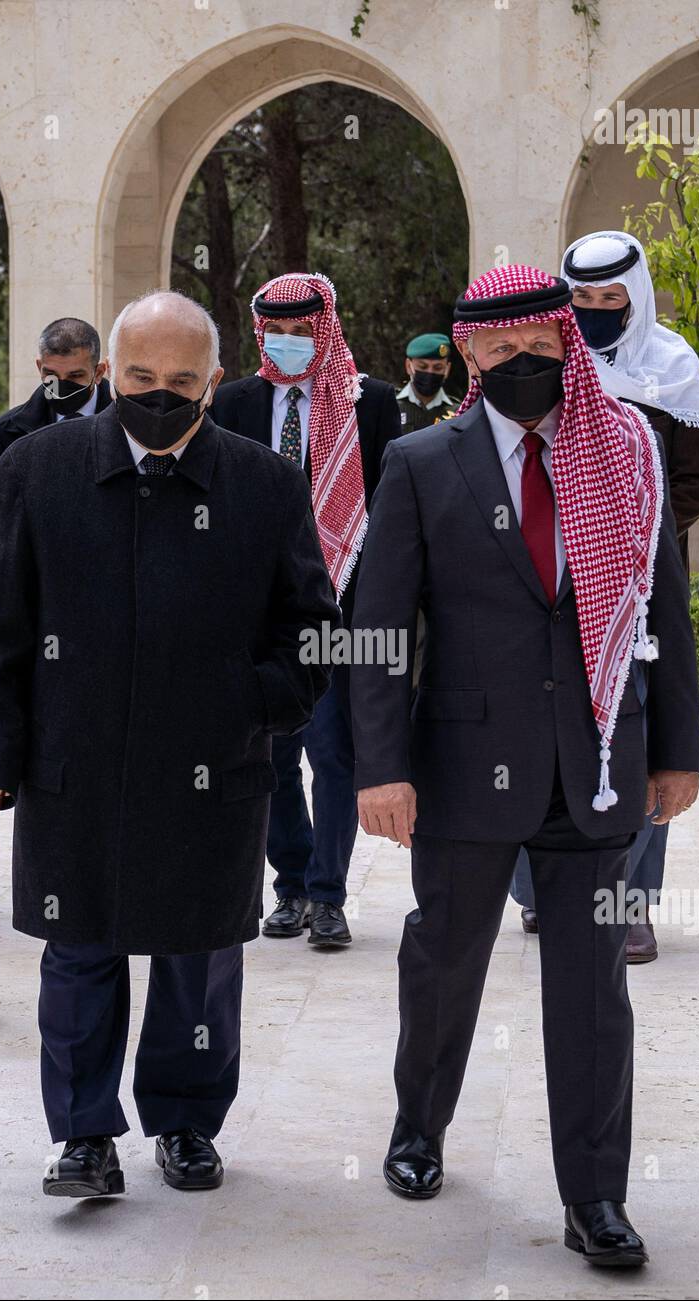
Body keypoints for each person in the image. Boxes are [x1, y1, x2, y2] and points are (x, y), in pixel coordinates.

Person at [350, 264, 699, 1266]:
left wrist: (675, 748)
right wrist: (379, 766)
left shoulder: (623, 450)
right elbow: (378, 627)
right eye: (498, 351)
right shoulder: (422, 461)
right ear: (466, 352)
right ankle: (418, 1122)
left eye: (539, 349)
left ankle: (594, 1199)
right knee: (444, 958)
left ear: (565, 344)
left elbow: (659, 609)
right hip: (465, 768)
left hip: (595, 765)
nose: (521, 366)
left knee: (590, 986)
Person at [0, 290, 337, 1198]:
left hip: (213, 774)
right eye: (139, 377)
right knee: (78, 952)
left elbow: (315, 633)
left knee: (197, 957)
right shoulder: (36, 468)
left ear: (212, 383)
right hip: (72, 765)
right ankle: (84, 1135)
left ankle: (187, 1122)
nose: (157, 394)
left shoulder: (266, 482)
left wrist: (249, 700)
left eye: (180, 380)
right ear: (108, 373)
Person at [511, 231, 699, 962]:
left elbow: (695, 479)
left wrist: (630, 533)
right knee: (543, 727)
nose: (596, 312)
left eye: (610, 299)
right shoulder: (547, 363)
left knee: (639, 736)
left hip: (643, 587)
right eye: (584, 300)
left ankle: (630, 906)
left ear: (636, 296)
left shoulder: (672, 367)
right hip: (549, 579)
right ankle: (538, 894)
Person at [212, 272, 401, 948]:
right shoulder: (232, 403)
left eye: (302, 332)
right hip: (259, 613)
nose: (290, 344)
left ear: (325, 329)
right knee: (273, 755)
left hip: (338, 606)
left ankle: (329, 897)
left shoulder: (368, 402)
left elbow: (390, 509)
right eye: (277, 333)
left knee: (333, 750)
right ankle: (289, 886)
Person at [0, 317, 112, 502]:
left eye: (75, 376)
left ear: (98, 372)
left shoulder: (128, 422)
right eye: (51, 374)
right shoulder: (8, 431)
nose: (61, 384)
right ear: (39, 367)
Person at [396, 333, 458, 433]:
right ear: (408, 366)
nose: (430, 372)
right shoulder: (391, 405)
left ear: (447, 369)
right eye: (422, 367)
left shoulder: (458, 413)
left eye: (438, 368)